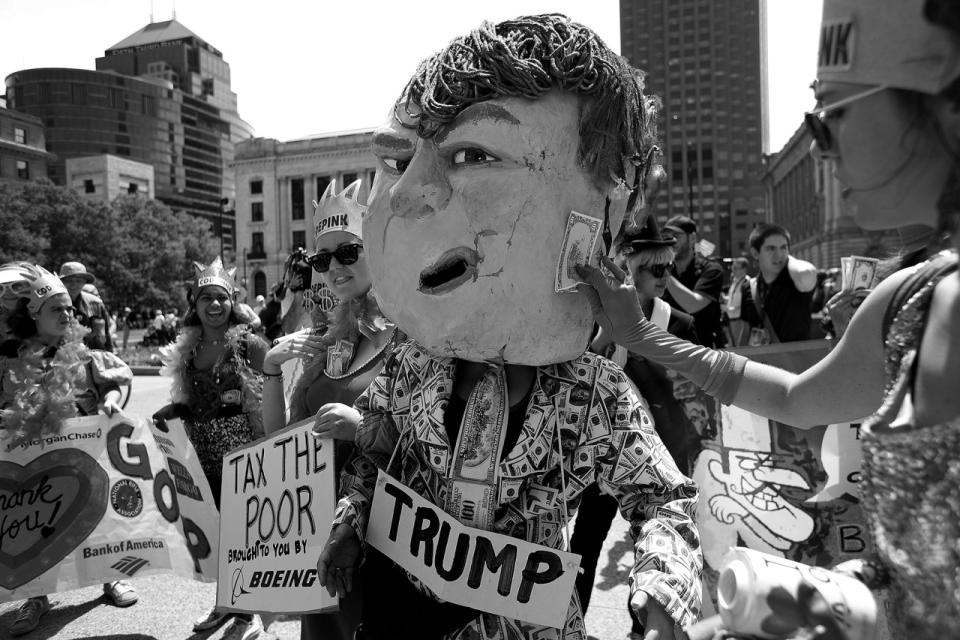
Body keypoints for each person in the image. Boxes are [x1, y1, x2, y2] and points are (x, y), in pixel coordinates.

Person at [577, 0, 960, 635]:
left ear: (942, 104)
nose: (824, 151)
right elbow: (798, 398)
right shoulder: (909, 300)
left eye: (831, 119)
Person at [317, 14, 702, 640]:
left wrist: (660, 594)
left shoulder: (590, 394)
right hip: (401, 618)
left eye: (473, 155)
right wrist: (349, 521)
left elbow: (665, 501)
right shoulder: (413, 365)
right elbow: (374, 455)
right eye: (398, 160)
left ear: (602, 205)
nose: (410, 193)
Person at [260, 179, 400, 640]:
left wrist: (361, 426)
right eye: (322, 259)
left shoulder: (414, 336)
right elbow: (281, 440)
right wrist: (273, 369)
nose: (334, 268)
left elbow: (442, 442)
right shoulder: (331, 336)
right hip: (317, 525)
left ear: (378, 246)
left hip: (383, 535)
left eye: (348, 252)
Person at [570, 212, 707, 637]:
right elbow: (579, 373)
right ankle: (567, 623)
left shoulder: (680, 324)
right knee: (583, 546)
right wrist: (605, 339)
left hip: (659, 454)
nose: (665, 276)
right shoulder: (595, 319)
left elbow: (691, 393)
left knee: (651, 544)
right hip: (601, 453)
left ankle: (641, 628)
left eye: (668, 266)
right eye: (655, 269)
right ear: (631, 270)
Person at [0, 263, 138, 637]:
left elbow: (111, 383)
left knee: (96, 514)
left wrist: (110, 400)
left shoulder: (83, 355)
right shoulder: (10, 362)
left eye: (69, 309)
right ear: (33, 314)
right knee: (37, 526)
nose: (68, 314)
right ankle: (36, 596)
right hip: (32, 465)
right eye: (57, 308)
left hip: (83, 455)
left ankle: (110, 578)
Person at [153, 257, 267, 640]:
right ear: (195, 304)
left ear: (232, 301)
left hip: (243, 453)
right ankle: (225, 603)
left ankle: (247, 611)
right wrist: (173, 409)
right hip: (202, 455)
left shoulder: (250, 344)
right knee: (217, 534)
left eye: (222, 298)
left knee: (243, 534)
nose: (215, 306)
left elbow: (270, 398)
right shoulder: (189, 347)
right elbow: (188, 399)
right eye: (207, 299)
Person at [738, 224, 819, 344]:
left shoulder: (797, 281)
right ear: (755, 253)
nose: (779, 255)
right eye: (771, 249)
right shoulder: (748, 287)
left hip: (796, 360)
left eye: (783, 248)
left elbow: (806, 272)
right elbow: (746, 330)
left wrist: (788, 258)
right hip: (761, 361)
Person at [661, 216, 726, 348]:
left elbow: (693, 305)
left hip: (705, 350)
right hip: (671, 350)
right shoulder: (664, 271)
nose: (670, 241)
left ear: (692, 238)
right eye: (666, 237)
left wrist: (662, 272)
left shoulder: (711, 269)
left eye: (676, 236)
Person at [59, 261, 113, 352]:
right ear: (61, 282)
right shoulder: (52, 304)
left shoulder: (96, 303)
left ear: (85, 282)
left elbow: (106, 337)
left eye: (78, 281)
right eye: (69, 280)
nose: (74, 285)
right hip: (62, 357)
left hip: (93, 356)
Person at [725, 257, 751, 347]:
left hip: (740, 321)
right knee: (734, 348)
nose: (733, 270)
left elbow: (745, 306)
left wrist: (727, 308)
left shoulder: (747, 283)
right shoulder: (735, 281)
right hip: (732, 320)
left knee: (739, 349)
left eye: (736, 268)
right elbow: (734, 299)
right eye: (732, 268)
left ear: (744, 269)